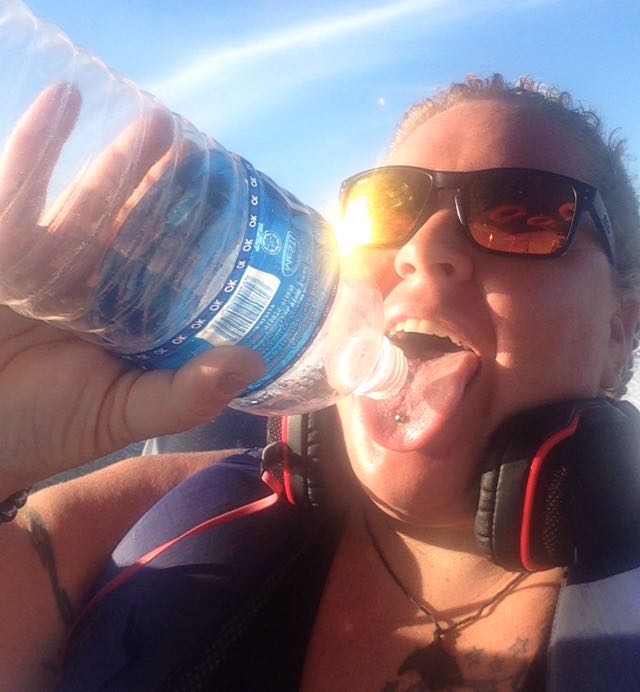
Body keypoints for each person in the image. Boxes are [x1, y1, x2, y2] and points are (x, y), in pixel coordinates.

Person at [1, 74, 639, 690]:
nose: (422, 247)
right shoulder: (128, 520)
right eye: (389, 208)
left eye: (522, 213)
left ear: (619, 330)